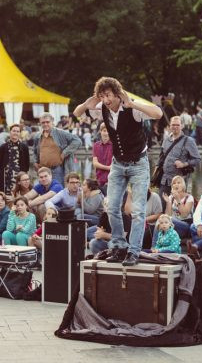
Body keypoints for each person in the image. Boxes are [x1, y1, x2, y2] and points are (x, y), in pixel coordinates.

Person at [73, 76, 162, 266]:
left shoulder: (132, 108)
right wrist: (86, 103)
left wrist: (133, 104)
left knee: (138, 211)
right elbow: (77, 112)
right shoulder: (102, 108)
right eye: (102, 96)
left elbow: (158, 114)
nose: (106, 100)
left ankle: (134, 251)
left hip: (138, 163)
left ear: (117, 94)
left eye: (109, 95)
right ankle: (119, 246)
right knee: (112, 207)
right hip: (118, 163)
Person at [158, 116, 201, 208]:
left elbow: (197, 160)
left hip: (179, 182)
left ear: (182, 126)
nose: (175, 127)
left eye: (177, 125)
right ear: (170, 126)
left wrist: (184, 164)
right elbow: (161, 157)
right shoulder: (166, 140)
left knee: (177, 208)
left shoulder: (189, 141)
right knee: (162, 207)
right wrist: (157, 169)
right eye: (173, 125)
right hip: (164, 180)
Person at [33, 112, 81, 186]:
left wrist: (65, 152)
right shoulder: (38, 136)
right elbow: (35, 151)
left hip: (57, 170)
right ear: (40, 123)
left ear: (52, 122)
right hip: (43, 171)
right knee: (44, 193)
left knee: (58, 193)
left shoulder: (60, 133)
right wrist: (35, 161)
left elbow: (77, 141)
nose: (45, 124)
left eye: (47, 122)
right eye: (43, 122)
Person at [0, 124, 30, 195]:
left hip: (19, 177)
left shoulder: (24, 147)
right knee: (6, 196)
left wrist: (24, 177)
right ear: (10, 132)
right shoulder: (3, 147)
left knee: (18, 196)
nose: (15, 133)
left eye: (17, 131)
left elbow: (26, 164)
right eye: (14, 131)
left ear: (20, 133)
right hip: (6, 178)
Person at [161, 175, 195, 239]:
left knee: (169, 220)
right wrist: (168, 202)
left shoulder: (189, 197)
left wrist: (178, 199)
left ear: (183, 186)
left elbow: (184, 215)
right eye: (174, 183)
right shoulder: (171, 197)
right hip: (173, 224)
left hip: (186, 224)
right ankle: (154, 246)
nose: (176, 185)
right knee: (161, 219)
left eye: (179, 183)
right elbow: (168, 215)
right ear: (172, 186)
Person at [92, 122, 113, 193]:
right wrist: (108, 168)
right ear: (100, 132)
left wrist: (110, 168)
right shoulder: (96, 145)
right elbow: (95, 164)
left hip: (111, 180)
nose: (106, 133)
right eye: (104, 131)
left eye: (108, 131)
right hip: (99, 179)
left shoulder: (114, 145)